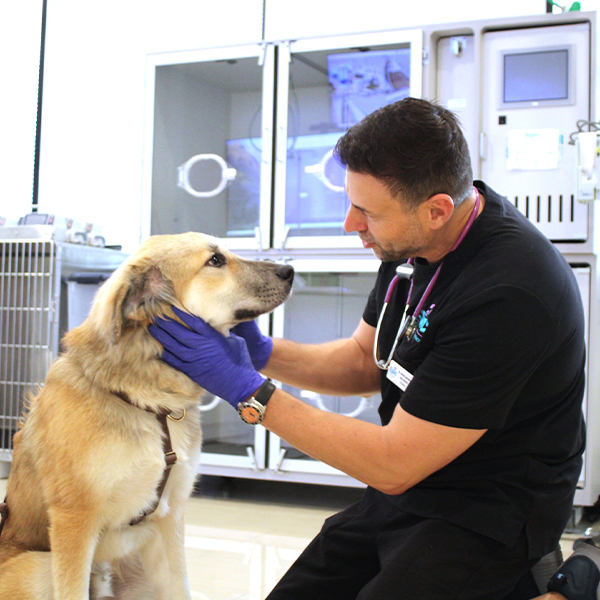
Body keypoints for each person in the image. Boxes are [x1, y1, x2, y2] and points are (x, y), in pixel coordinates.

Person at [149, 97, 587, 600]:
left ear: (437, 209)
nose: (350, 224)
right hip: (410, 489)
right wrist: (262, 353)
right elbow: (364, 362)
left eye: (366, 212)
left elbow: (393, 463)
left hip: (489, 510)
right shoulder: (416, 242)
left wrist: (249, 392)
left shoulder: (510, 293)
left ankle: (551, 583)